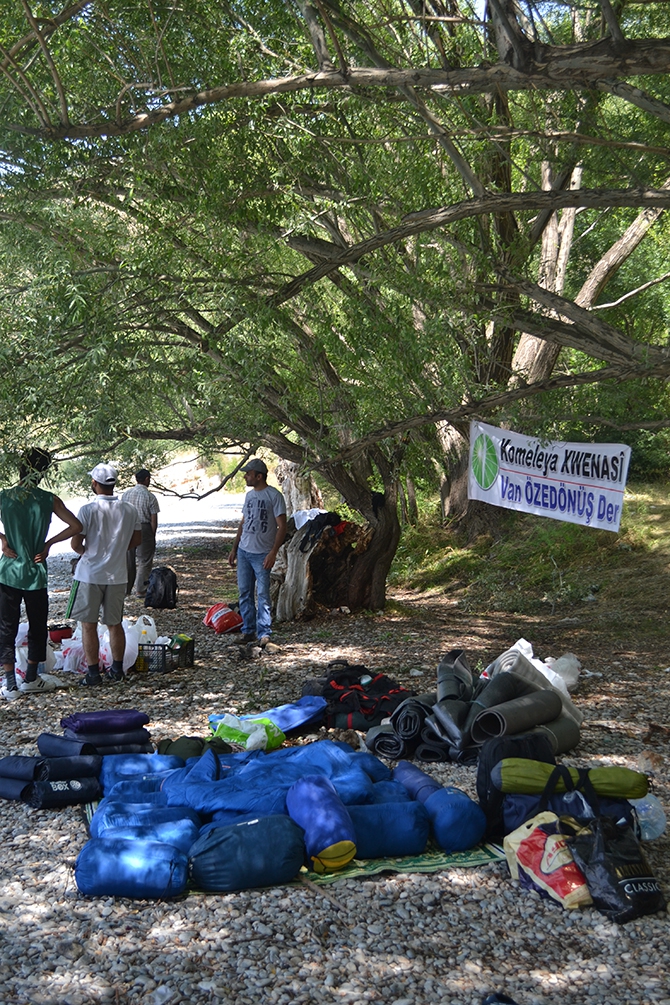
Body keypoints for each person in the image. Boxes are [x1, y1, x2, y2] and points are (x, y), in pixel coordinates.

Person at [0, 449, 82, 701]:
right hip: (36, 572)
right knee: (37, 626)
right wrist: (48, 544)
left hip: (9, 571)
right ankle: (31, 678)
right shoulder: (49, 499)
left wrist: (3, 540)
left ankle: (9, 683)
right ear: (43, 472)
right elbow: (76, 526)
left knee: (6, 626)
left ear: (21, 469)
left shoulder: (5, 496)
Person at [66, 463, 141, 686]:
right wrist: (116, 551)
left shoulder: (87, 510)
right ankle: (117, 670)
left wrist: (86, 552)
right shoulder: (129, 510)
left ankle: (92, 674)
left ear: (94, 484)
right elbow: (137, 540)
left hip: (89, 575)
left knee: (88, 625)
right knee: (115, 622)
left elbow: (75, 543)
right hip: (117, 575)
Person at [228, 458, 287, 645]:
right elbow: (243, 523)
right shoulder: (249, 496)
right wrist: (234, 548)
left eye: (248, 473)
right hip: (244, 551)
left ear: (259, 476)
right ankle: (248, 631)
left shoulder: (274, 496)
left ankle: (264, 633)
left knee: (262, 593)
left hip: (262, 553)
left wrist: (273, 552)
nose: (245, 476)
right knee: (244, 592)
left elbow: (282, 527)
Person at [123, 468, 160, 597]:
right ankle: (141, 589)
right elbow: (153, 519)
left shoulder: (126, 494)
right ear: (147, 479)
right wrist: (152, 534)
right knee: (144, 560)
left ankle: (126, 589)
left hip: (128, 528)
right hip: (144, 527)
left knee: (128, 560)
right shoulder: (150, 497)